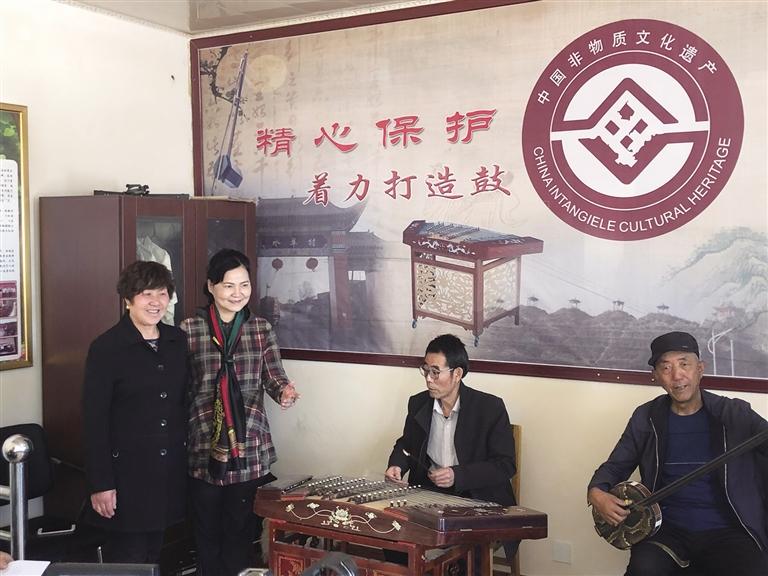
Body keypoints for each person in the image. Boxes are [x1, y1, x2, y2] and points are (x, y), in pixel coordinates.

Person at [588, 331, 768, 576]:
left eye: (685, 364)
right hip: (666, 531)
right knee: (643, 569)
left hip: (729, 530)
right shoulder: (647, 417)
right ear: (655, 376)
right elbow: (616, 465)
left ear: (700, 369)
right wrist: (596, 492)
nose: (677, 375)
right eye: (666, 368)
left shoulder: (734, 412)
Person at [181, 249, 300, 576]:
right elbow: (180, 386)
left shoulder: (260, 329)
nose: (238, 293)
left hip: (248, 444)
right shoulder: (190, 329)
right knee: (205, 532)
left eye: (244, 285)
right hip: (204, 443)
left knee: (239, 531)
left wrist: (284, 393)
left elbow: (274, 376)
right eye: (229, 285)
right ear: (211, 286)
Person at [82, 260, 188, 563]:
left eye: (162, 293)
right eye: (146, 294)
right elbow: (94, 420)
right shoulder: (106, 348)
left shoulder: (176, 340)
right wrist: (101, 484)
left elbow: (182, 402)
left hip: (168, 474)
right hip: (126, 477)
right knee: (129, 558)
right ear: (128, 299)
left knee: (155, 556)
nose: (156, 302)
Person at [385, 333, 519, 563]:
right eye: (425, 370)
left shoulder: (489, 408)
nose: (428, 379)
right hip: (431, 495)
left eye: (435, 372)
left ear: (457, 374)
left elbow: (505, 465)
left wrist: (458, 475)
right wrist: (397, 464)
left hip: (476, 497)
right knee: (394, 536)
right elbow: (406, 444)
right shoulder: (418, 403)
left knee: (460, 550)